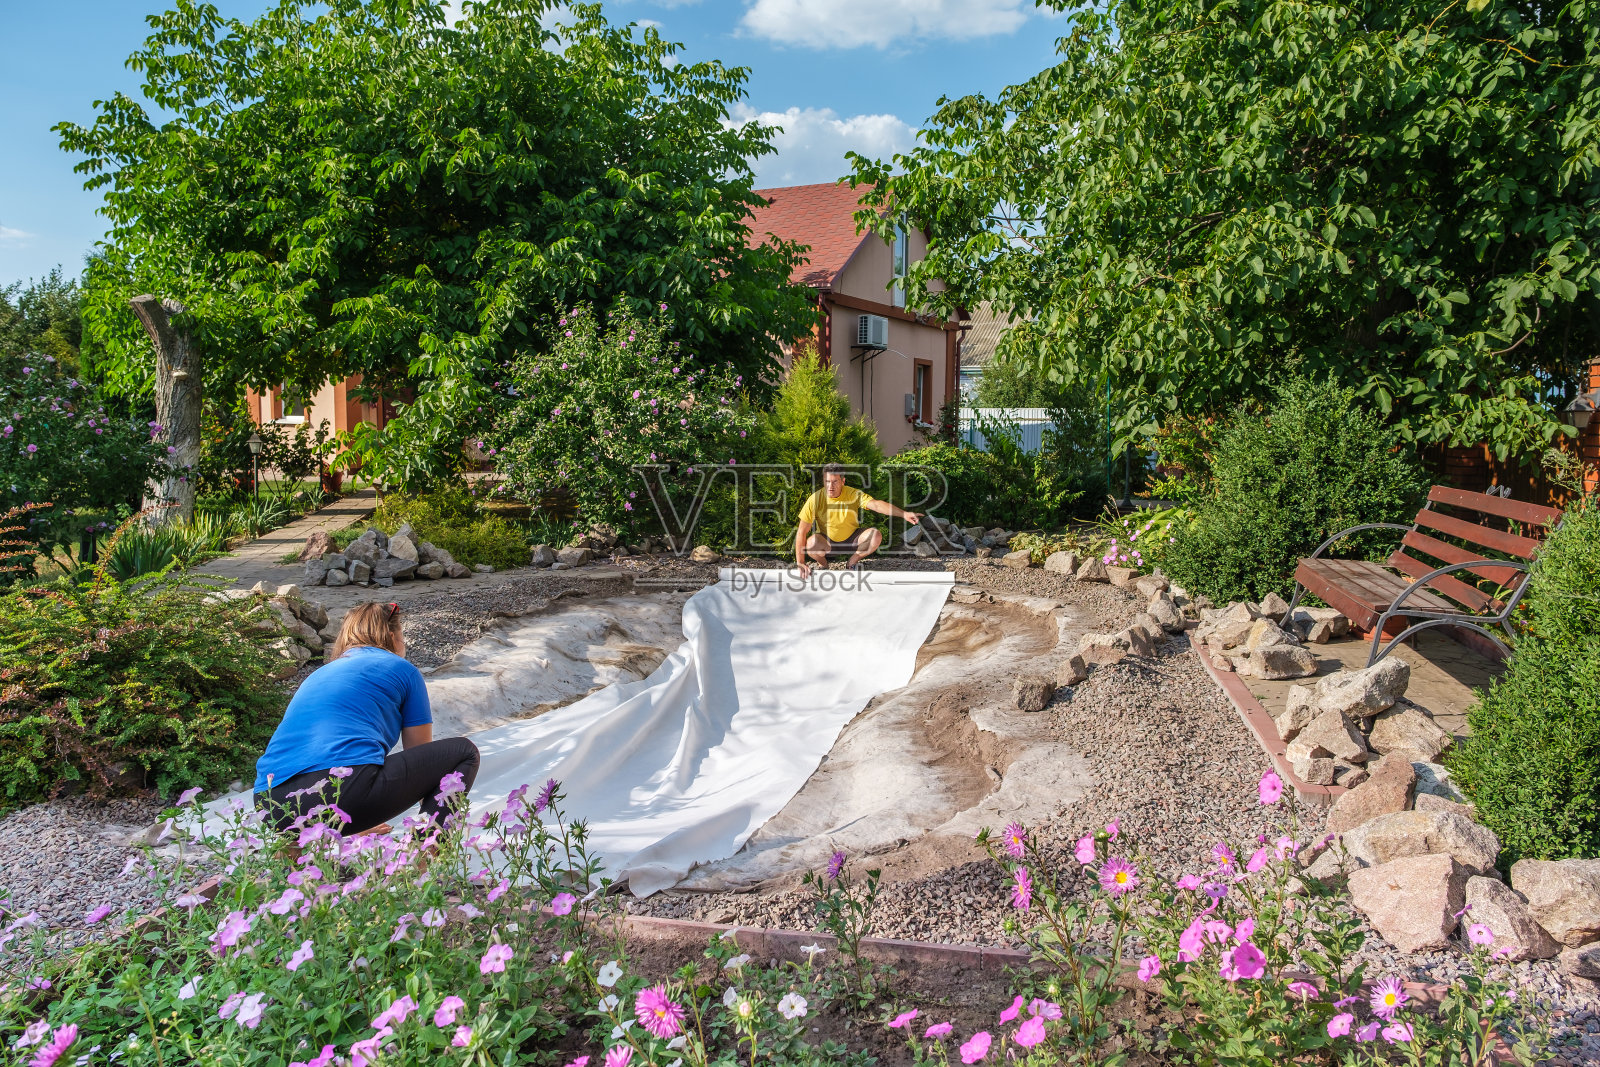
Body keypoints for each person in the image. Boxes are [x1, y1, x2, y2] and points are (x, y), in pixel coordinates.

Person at [253, 601, 479, 835]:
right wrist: (435, 818)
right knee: (464, 752)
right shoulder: (403, 669)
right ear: (392, 636)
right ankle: (425, 852)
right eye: (403, 635)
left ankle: (297, 844)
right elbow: (424, 760)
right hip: (341, 792)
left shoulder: (319, 674)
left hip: (271, 804)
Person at [794, 462, 921, 577]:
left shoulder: (853, 494)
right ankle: (823, 564)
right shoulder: (815, 499)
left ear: (843, 481)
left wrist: (904, 514)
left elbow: (876, 505)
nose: (830, 486)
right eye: (827, 481)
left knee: (875, 535)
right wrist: (800, 563)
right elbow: (801, 531)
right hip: (827, 542)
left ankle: (852, 563)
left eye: (835, 482)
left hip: (852, 540)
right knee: (811, 543)